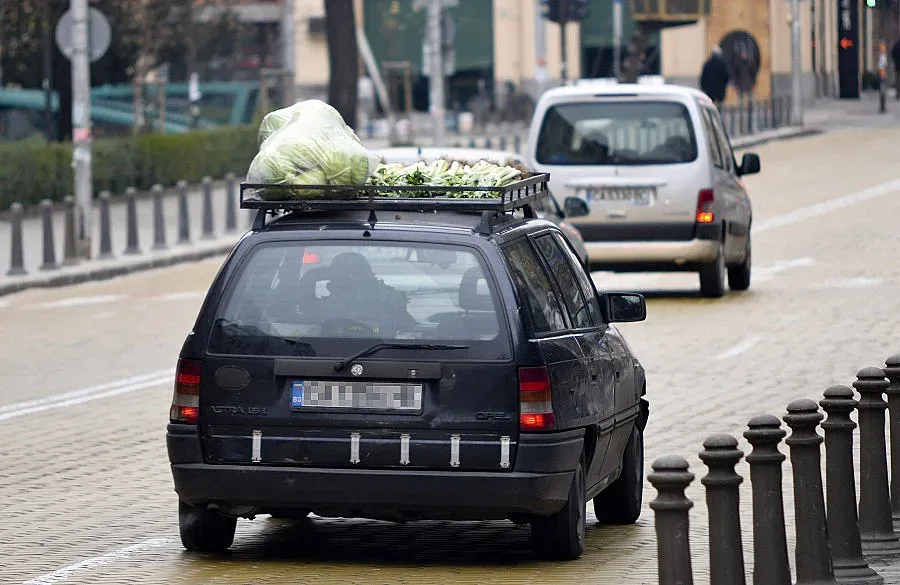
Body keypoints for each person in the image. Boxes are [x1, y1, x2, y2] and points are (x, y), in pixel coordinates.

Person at [321, 252, 416, 336]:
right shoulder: (324, 308)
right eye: (347, 276)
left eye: (358, 274)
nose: (353, 280)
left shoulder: (389, 302)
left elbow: (413, 332)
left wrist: (396, 307)